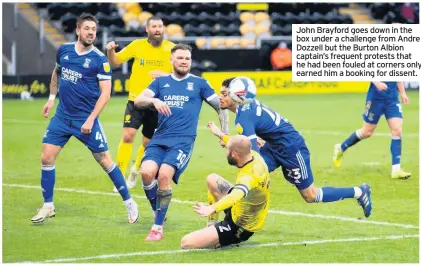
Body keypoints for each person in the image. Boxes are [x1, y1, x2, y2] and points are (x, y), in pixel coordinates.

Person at [207, 78, 373, 219]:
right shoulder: (246, 107)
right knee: (249, 174)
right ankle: (236, 214)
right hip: (273, 147)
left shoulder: (244, 116)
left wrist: (223, 137)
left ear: (235, 95)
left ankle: (359, 191)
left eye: (223, 93)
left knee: (310, 195)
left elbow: (252, 155)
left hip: (292, 149)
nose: (219, 97)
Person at [31, 13, 139, 224]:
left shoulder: (100, 60)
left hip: (85, 118)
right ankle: (48, 205)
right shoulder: (64, 51)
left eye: (94, 30)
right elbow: (57, 73)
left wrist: (90, 119)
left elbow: (105, 94)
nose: (91, 32)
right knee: (46, 157)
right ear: (78, 30)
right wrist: (51, 98)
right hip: (62, 116)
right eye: (87, 28)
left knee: (104, 160)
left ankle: (129, 202)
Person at [134, 43, 229, 241]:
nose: (184, 61)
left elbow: (220, 107)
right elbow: (138, 101)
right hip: (160, 138)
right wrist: (154, 101)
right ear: (171, 60)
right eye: (180, 58)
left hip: (182, 141)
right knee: (146, 173)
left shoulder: (199, 83)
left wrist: (224, 133)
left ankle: (157, 227)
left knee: (163, 176)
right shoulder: (161, 82)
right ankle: (158, 210)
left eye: (187, 58)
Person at [106, 16, 175, 193]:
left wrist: (165, 75)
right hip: (136, 100)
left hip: (158, 103)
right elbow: (115, 62)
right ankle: (119, 177)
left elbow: (181, 73)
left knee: (147, 143)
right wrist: (110, 51)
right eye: (154, 26)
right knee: (128, 136)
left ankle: (135, 171)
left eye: (160, 26)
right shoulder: (137, 45)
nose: (158, 29)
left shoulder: (171, 48)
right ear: (147, 29)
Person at [181, 135, 270, 249]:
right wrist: (220, 135)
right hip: (240, 206)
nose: (225, 151)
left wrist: (212, 208)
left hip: (241, 224)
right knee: (212, 178)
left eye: (227, 149)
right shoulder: (253, 154)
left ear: (234, 153)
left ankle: (225, 238)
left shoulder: (248, 177)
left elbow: (234, 197)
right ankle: (210, 226)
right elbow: (239, 143)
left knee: (186, 243)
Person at [333, 81, 411, 179]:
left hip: (392, 99)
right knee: (366, 132)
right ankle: (341, 147)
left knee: (397, 130)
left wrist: (403, 93)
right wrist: (377, 83)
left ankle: (396, 169)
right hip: (376, 99)